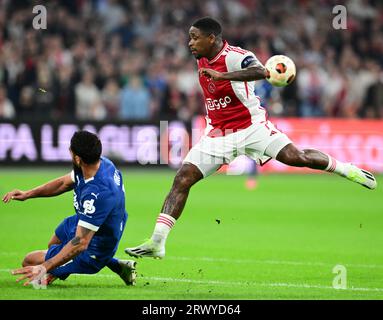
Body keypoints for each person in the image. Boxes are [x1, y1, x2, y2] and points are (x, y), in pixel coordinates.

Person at [125, 17, 377, 259]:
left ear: (211, 38)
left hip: (252, 127)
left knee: (296, 157)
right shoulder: (202, 56)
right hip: (217, 134)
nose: (189, 43)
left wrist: (224, 76)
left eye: (194, 38)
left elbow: (261, 71)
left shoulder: (235, 56)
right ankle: (157, 243)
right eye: (189, 38)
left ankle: (347, 170)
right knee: (182, 179)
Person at [2, 130, 137, 286]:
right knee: (54, 243)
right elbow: (63, 183)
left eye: (70, 151)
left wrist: (45, 267)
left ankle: (63, 271)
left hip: (97, 245)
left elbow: (80, 242)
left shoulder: (97, 193)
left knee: (29, 261)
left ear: (78, 159)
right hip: (94, 222)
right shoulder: (101, 164)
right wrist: (28, 194)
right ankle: (116, 265)